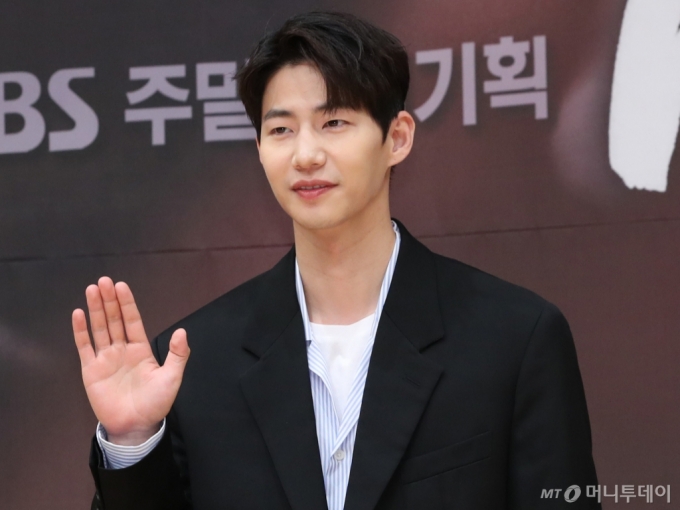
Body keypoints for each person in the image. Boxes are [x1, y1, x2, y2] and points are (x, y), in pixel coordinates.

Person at [73, 11, 600, 510]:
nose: (306, 155)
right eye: (281, 130)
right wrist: (132, 441)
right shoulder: (193, 360)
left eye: (334, 122)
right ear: (259, 147)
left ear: (397, 138)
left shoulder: (514, 338)